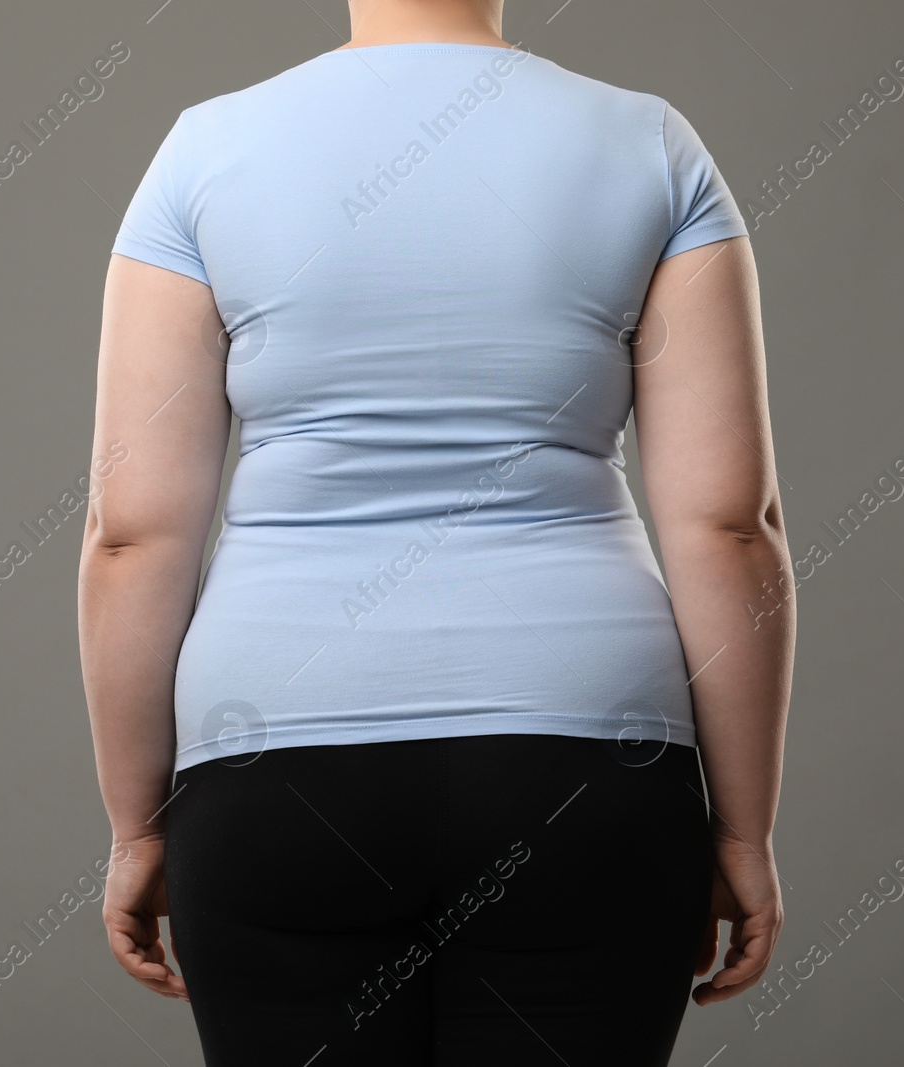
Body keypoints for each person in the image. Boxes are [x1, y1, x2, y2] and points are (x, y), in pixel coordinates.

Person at [77, 2, 793, 1063]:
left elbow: (130, 534)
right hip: (584, 777)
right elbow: (732, 526)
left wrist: (139, 825)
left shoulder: (207, 151)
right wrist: (742, 828)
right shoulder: (646, 144)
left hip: (277, 775)